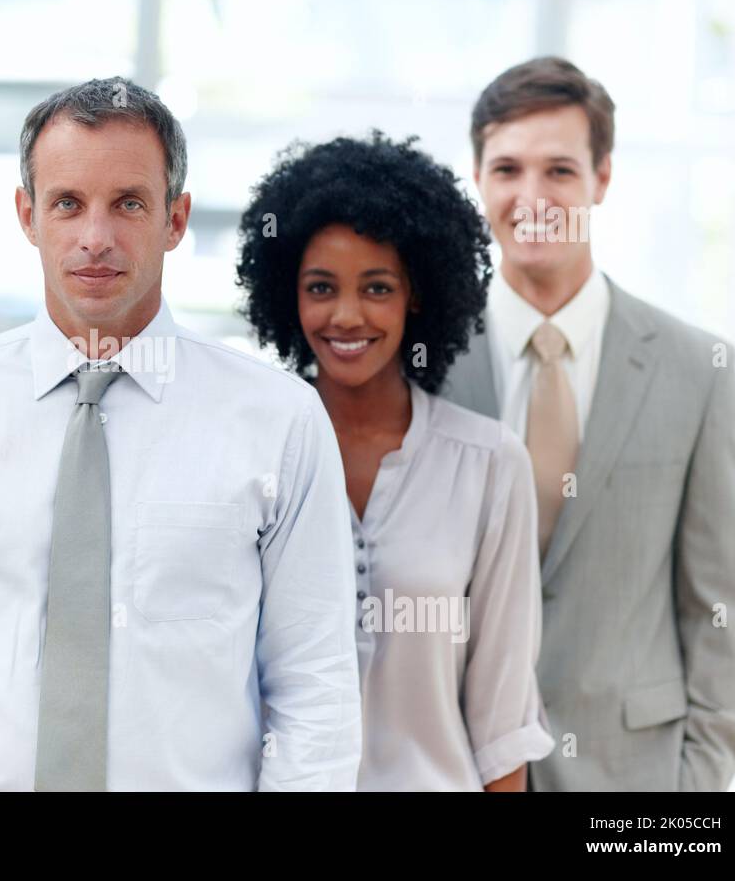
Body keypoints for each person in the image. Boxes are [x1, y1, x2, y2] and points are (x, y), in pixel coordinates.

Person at [0, 78, 361, 792]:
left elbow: (315, 688)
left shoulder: (279, 423)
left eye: (129, 204)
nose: (96, 238)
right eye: (68, 204)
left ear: (176, 219)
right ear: (27, 215)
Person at [441, 56, 735, 790]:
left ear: (602, 178)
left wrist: (692, 795)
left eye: (559, 171)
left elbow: (721, 606)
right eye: (508, 169)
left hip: (634, 785)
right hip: (456, 767)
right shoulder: (428, 361)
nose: (532, 196)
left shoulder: (695, 369)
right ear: (479, 179)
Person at [237, 132, 554, 790]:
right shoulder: (243, 452)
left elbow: (502, 732)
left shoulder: (489, 465)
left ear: (417, 294)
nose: (346, 316)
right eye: (321, 287)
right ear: (287, 297)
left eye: (376, 288)